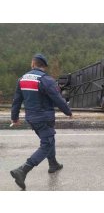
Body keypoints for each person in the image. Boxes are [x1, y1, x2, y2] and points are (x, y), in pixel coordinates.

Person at [10, 53, 72, 190]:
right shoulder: (46, 80)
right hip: (44, 118)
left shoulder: (22, 79)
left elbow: (16, 101)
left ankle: (53, 164)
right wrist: (68, 112)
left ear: (33, 64)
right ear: (44, 66)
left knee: (49, 139)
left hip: (32, 119)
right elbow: (58, 99)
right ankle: (23, 170)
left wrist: (14, 118)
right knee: (47, 144)